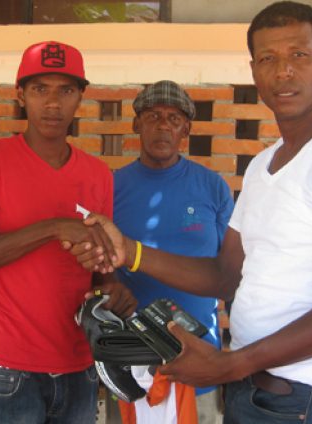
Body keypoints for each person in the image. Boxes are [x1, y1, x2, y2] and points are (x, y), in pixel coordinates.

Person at [68, 2, 312, 422]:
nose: (283, 72)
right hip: (254, 392)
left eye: (299, 54)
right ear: (254, 71)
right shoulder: (264, 165)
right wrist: (129, 251)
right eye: (268, 59)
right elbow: (226, 276)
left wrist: (229, 364)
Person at [0, 40, 137, 424]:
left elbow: (100, 271)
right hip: (9, 371)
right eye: (39, 90)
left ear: (81, 97)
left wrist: (113, 287)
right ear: (20, 96)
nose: (53, 103)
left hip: (81, 367)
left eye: (65, 90)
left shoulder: (97, 174)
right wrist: (52, 228)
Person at [113, 80, 234, 424]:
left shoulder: (213, 188)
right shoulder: (111, 187)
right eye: (152, 116)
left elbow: (233, 274)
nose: (163, 125)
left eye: (174, 118)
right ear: (137, 124)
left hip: (200, 362)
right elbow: (99, 267)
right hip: (131, 363)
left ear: (186, 129)